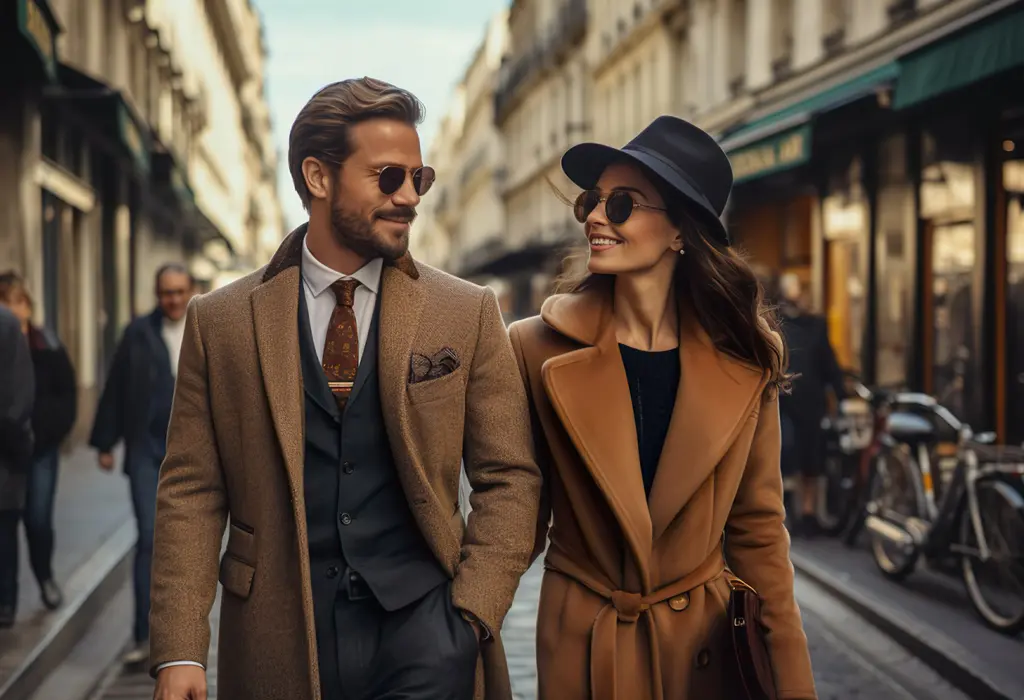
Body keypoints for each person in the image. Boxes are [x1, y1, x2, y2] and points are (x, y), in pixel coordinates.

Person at [149, 77, 541, 700]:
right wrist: (177, 649)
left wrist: (470, 615)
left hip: (426, 630)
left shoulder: (464, 311)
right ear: (318, 177)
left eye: (421, 178)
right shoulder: (219, 320)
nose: (410, 197)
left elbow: (510, 476)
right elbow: (191, 490)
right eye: (389, 177)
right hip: (277, 627)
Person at [509, 116, 817, 699]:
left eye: (622, 204)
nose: (596, 217)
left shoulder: (747, 357)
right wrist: (459, 622)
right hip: (584, 646)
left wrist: (794, 686)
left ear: (680, 229)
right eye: (592, 202)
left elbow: (758, 534)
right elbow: (515, 516)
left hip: (701, 654)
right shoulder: (533, 347)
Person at [89, 263, 195, 664]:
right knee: (150, 539)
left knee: (188, 544)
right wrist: (104, 440)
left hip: (193, 451)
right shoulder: (137, 333)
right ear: (157, 294)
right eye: (166, 292)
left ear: (191, 291)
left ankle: (183, 640)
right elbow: (116, 386)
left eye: (180, 291)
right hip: (146, 450)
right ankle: (142, 637)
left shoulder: (207, 324)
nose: (173, 300)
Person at [0, 272, 77, 611]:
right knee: (6, 522)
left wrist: (45, 432)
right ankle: (7, 601)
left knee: (38, 518)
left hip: (40, 448)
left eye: (18, 302)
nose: (13, 310)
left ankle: (45, 577)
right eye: (6, 302)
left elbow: (67, 396)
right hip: (6, 447)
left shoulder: (48, 345)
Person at [776, 272, 846, 537]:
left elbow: (828, 361)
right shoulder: (776, 323)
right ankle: (781, 511)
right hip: (782, 401)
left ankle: (808, 513)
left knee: (811, 458)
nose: (803, 299)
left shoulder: (818, 325)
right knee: (783, 454)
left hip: (811, 400)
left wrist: (841, 395)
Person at [0, 303, 35, 628]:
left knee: (4, 529)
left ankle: (6, 602)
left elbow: (19, 392)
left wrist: (14, 441)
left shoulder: (7, 324)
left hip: (4, 452)